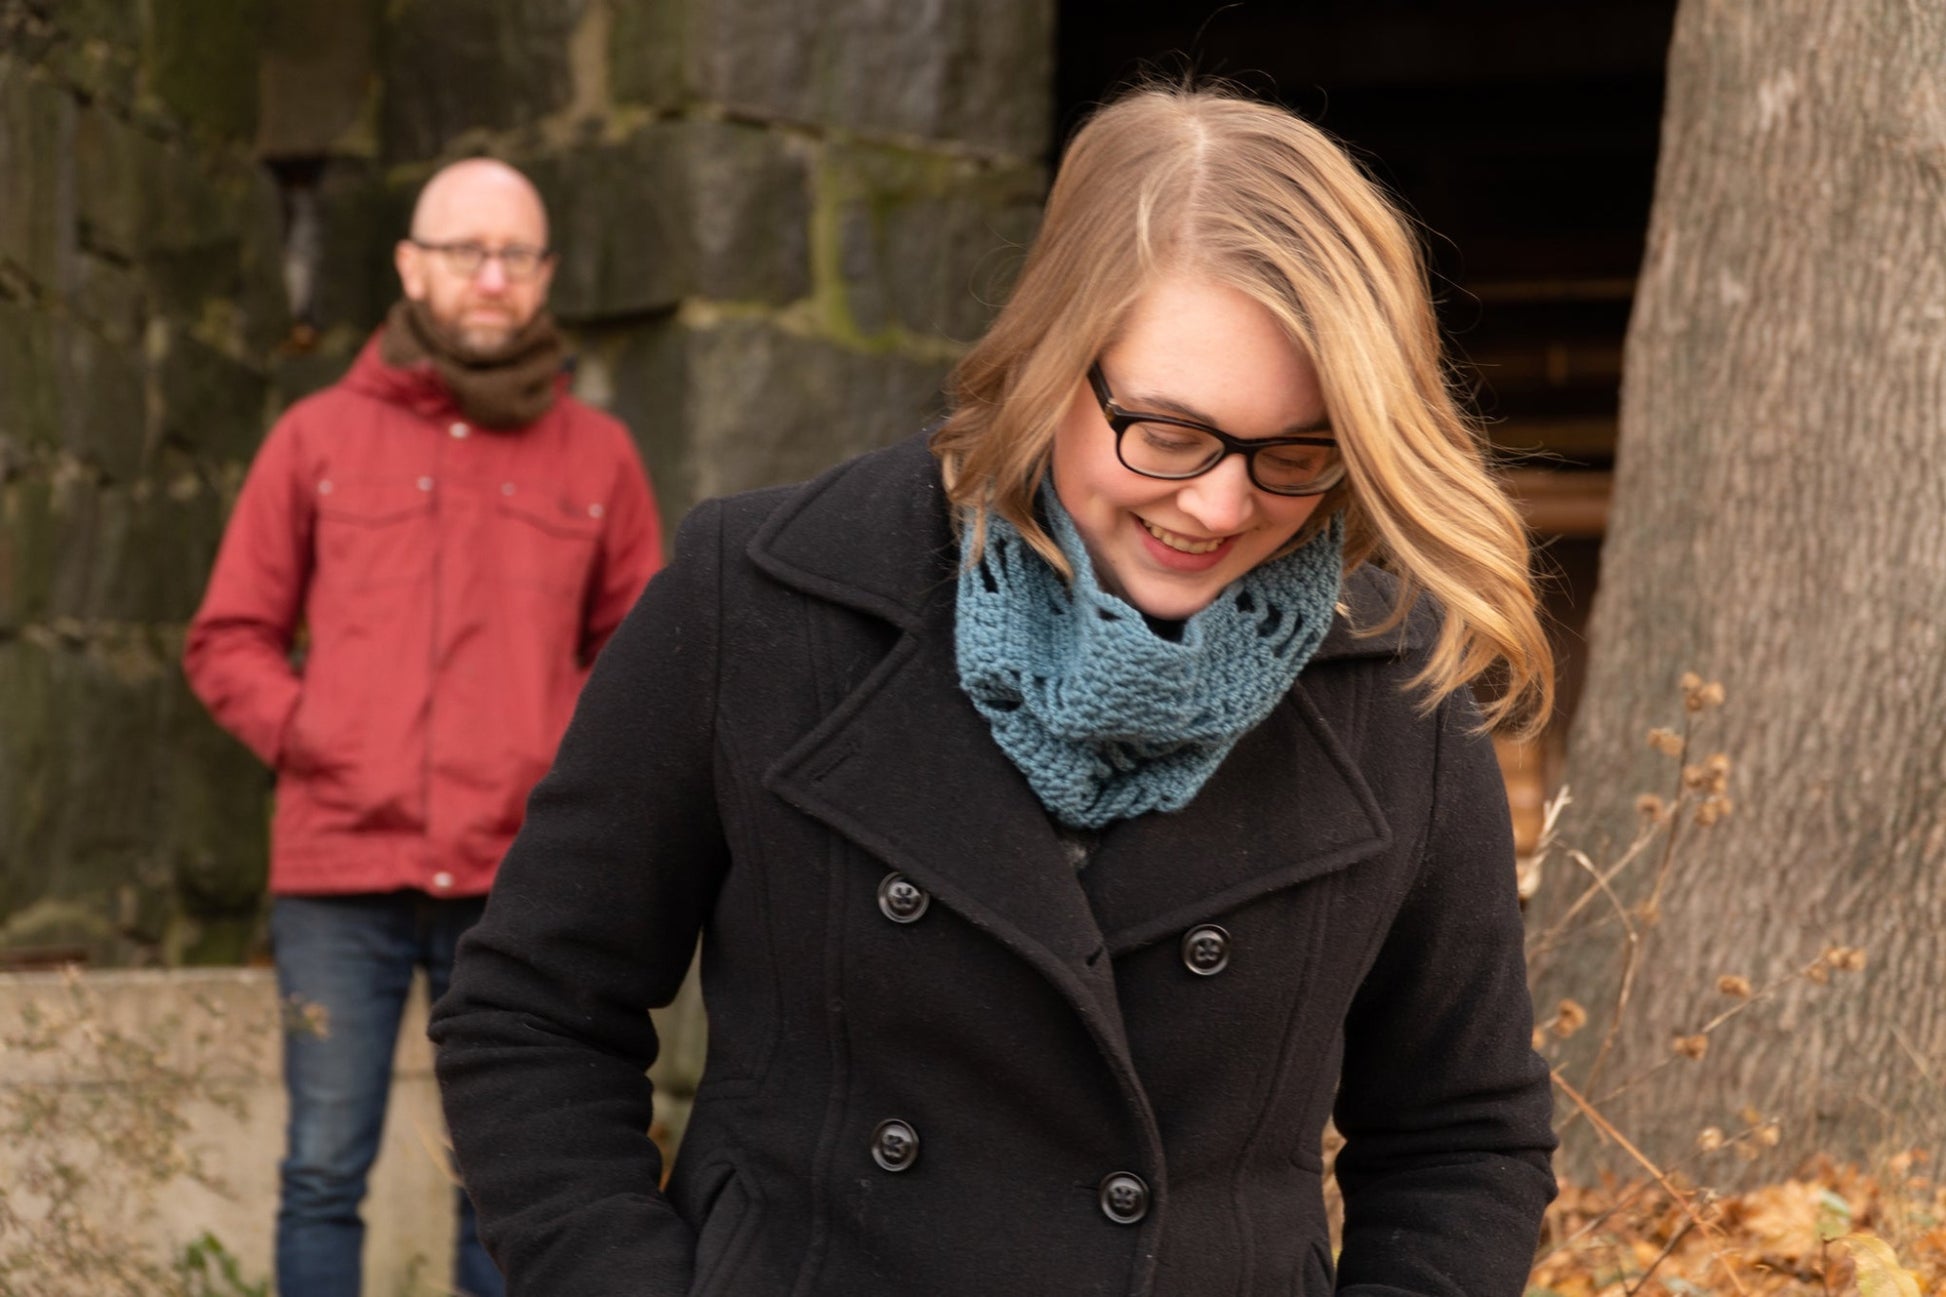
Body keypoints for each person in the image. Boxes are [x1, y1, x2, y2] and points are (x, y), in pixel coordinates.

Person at [430, 86, 1557, 1297]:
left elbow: (1461, 1135)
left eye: (1295, 452)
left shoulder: (1394, 685)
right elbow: (532, 1013)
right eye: (1166, 433)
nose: (1220, 507)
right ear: (1051, 356)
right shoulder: (756, 599)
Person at [183, 157, 663, 1297]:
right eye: (465, 251)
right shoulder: (314, 439)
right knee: (320, 1171)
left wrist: (554, 763)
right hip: (337, 874)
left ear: (544, 274)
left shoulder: (600, 457)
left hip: (518, 879)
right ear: (410, 265)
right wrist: (322, 736)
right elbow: (227, 639)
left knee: (502, 1179)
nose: (491, 276)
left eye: (517, 255)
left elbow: (644, 662)